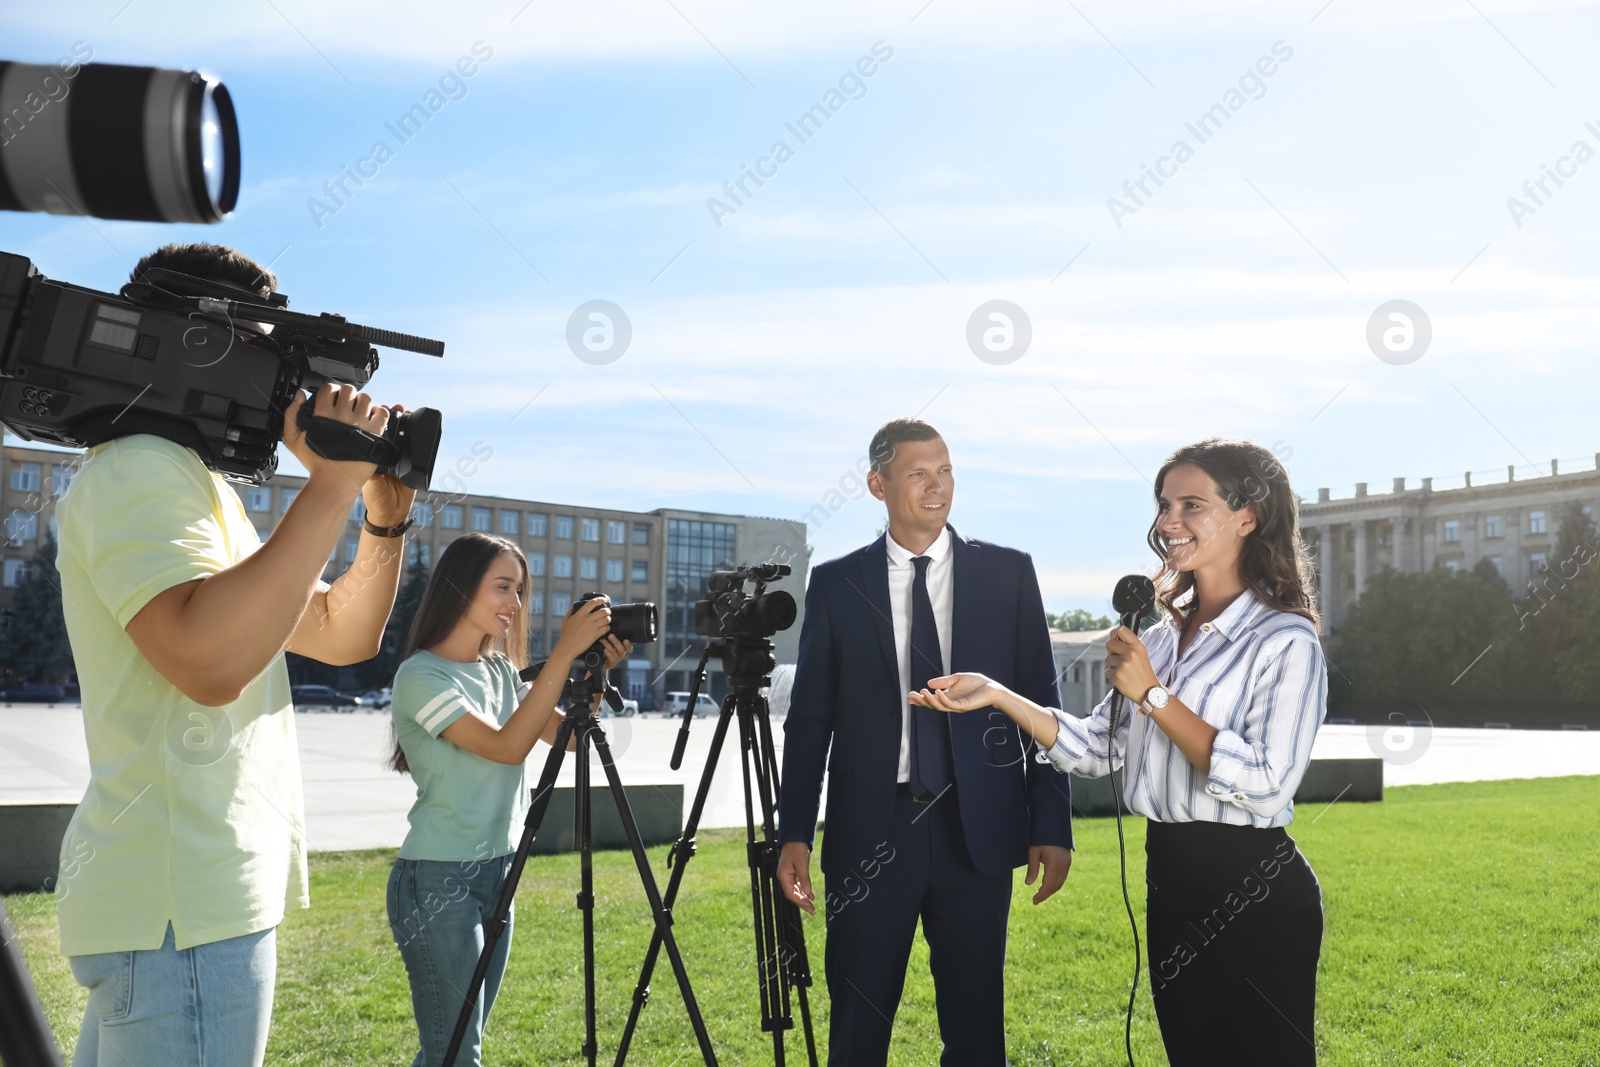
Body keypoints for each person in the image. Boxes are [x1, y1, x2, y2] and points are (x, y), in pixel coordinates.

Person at [54, 242, 414, 1066]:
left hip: (183, 909)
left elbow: (335, 631)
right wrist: (328, 484)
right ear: (199, 344)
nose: (285, 384)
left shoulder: (192, 481)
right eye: (267, 350)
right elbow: (207, 660)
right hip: (181, 910)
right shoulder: (141, 468)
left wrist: (379, 517)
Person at [911, 437, 1328, 1067]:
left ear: (1248, 516)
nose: (1169, 522)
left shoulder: (1285, 639)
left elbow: (1269, 781)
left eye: (1193, 504)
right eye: (1165, 505)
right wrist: (997, 695)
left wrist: (1155, 696)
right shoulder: (1158, 639)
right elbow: (1098, 747)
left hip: (1254, 889)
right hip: (1172, 879)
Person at [777, 417, 1074, 1067]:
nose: (936, 486)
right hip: (870, 832)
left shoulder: (1009, 574)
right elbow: (809, 720)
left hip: (979, 832)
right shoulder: (835, 584)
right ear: (877, 483)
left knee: (976, 1036)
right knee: (857, 1031)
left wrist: (1053, 820)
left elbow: (1042, 707)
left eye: (945, 470)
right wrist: (793, 830)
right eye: (918, 473)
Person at [385, 532, 629, 1067]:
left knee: (452, 1047)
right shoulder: (421, 676)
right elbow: (506, 747)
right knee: (457, 1051)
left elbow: (566, 737)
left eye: (519, 591)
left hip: (500, 873)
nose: (515, 605)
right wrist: (562, 651)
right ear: (459, 587)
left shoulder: (496, 670)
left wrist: (593, 673)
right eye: (503, 587)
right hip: (436, 883)